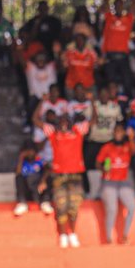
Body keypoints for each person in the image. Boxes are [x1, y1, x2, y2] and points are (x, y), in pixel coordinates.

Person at [34, 102, 89, 248]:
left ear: (70, 123)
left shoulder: (77, 133)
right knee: (61, 206)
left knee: (74, 207)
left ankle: (73, 234)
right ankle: (64, 234)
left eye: (66, 122)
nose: (64, 124)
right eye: (61, 122)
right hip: (59, 176)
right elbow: (35, 120)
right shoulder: (53, 135)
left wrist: (93, 102)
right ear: (57, 124)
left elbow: (93, 121)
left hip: (76, 176)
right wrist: (42, 102)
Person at [96, 123, 135, 244]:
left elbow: (134, 151)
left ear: (123, 133)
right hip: (109, 182)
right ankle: (108, 238)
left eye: (120, 131)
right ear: (113, 133)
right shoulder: (107, 147)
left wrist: (131, 138)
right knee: (112, 209)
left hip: (124, 182)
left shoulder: (127, 146)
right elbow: (97, 163)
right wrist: (104, 169)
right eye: (116, 131)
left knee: (132, 207)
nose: (118, 134)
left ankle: (125, 236)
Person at [13, 139, 52, 217]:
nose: (30, 153)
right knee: (19, 178)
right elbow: (18, 173)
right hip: (27, 190)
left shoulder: (39, 160)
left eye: (31, 150)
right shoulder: (22, 163)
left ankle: (45, 202)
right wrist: (21, 158)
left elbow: (48, 169)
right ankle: (22, 203)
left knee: (49, 178)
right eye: (27, 151)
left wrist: (43, 181)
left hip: (39, 189)